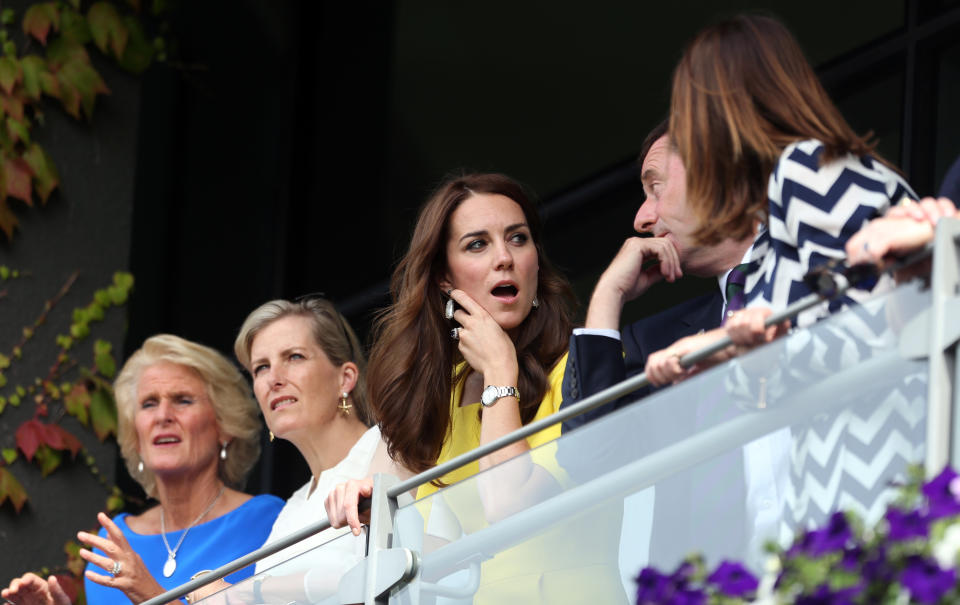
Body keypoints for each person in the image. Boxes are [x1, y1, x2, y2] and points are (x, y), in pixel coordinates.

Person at [643, 14, 918, 537]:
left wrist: (731, 350)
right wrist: (738, 361)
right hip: (835, 499)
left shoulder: (808, 170)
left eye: (690, 112)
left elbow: (871, 328)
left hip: (875, 489)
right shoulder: (796, 190)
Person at [326, 172, 628, 603]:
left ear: (536, 262)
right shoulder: (436, 396)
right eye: (477, 244)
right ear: (444, 280)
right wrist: (369, 507)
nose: (504, 257)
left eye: (518, 239)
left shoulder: (583, 367)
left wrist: (500, 372)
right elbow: (429, 550)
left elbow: (509, 505)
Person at [3, 335, 285, 605]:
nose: (162, 416)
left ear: (225, 426)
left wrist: (148, 592)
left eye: (183, 400)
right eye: (149, 403)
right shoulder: (112, 543)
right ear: (135, 437)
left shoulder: (267, 523)